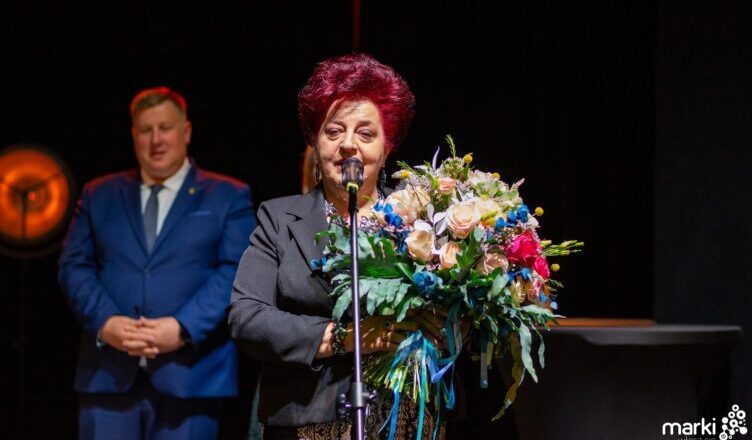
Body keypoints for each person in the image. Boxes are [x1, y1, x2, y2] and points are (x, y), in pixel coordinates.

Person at [229, 54, 450, 440]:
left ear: (386, 147)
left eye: (366, 134)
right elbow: (247, 317)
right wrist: (343, 337)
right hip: (305, 421)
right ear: (315, 143)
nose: (348, 144)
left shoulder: (426, 217)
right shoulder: (279, 219)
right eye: (333, 132)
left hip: (407, 419)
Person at [58, 86, 256, 440]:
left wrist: (182, 328)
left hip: (192, 376)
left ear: (186, 131)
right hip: (108, 376)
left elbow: (236, 270)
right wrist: (106, 322)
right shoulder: (98, 194)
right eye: (146, 130)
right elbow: (73, 267)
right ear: (133, 136)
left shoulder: (228, 195)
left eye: (165, 128)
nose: (156, 140)